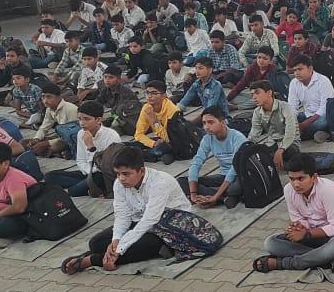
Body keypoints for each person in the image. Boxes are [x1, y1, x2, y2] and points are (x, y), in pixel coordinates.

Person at [60, 146, 210, 274]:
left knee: (140, 246)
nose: (121, 178)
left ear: (142, 171)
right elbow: (122, 216)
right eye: (118, 174)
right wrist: (116, 241)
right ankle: (101, 253)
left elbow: (150, 220)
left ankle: (93, 260)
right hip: (139, 221)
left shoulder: (160, 182)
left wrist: (120, 248)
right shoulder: (119, 184)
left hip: (169, 225)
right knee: (96, 243)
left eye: (126, 174)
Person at [252, 152, 334, 273]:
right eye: (292, 179)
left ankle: (285, 263)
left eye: (301, 179)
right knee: (270, 243)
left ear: (314, 177)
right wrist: (297, 228)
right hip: (312, 235)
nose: (296, 184)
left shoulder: (328, 190)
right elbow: (297, 218)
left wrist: (306, 234)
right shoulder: (288, 190)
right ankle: (327, 259)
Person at [44, 101, 121, 197]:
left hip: (104, 175)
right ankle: (87, 186)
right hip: (88, 172)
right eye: (80, 119)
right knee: (50, 176)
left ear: (98, 120)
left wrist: (91, 147)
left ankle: (86, 187)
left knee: (74, 191)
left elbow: (107, 168)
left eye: (86, 119)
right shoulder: (81, 133)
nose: (82, 123)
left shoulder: (111, 136)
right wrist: (88, 172)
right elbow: (80, 160)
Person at [178, 106, 245, 209]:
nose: (206, 127)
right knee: (182, 181)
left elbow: (234, 169)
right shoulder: (207, 139)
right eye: (204, 123)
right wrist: (193, 194)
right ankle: (224, 198)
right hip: (223, 177)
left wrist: (216, 195)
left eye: (211, 122)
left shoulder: (237, 138)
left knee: (234, 189)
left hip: (239, 176)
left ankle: (219, 197)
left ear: (223, 122)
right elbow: (196, 162)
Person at [248, 79, 300, 171]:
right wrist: (245, 148)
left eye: (257, 93)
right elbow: (254, 134)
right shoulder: (257, 112)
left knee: (291, 152)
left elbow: (290, 132)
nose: (254, 97)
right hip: (272, 144)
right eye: (252, 95)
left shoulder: (285, 107)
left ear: (269, 93)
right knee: (255, 155)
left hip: (290, 144)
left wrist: (281, 149)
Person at [287, 55, 334, 141]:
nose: (297, 73)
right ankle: (313, 134)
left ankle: (302, 136)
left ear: (310, 68)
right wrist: (293, 122)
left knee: (321, 123)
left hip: (324, 116)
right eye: (295, 70)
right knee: (285, 120)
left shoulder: (323, 81)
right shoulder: (294, 83)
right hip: (307, 115)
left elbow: (325, 108)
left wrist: (304, 124)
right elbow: (292, 106)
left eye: (300, 69)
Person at [26, 83, 80, 158]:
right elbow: (44, 127)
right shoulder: (49, 109)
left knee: (47, 148)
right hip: (61, 136)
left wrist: (48, 142)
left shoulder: (70, 109)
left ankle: (56, 152)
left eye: (49, 97)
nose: (45, 100)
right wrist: (36, 139)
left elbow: (74, 135)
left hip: (71, 139)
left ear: (59, 97)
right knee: (26, 143)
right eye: (43, 97)